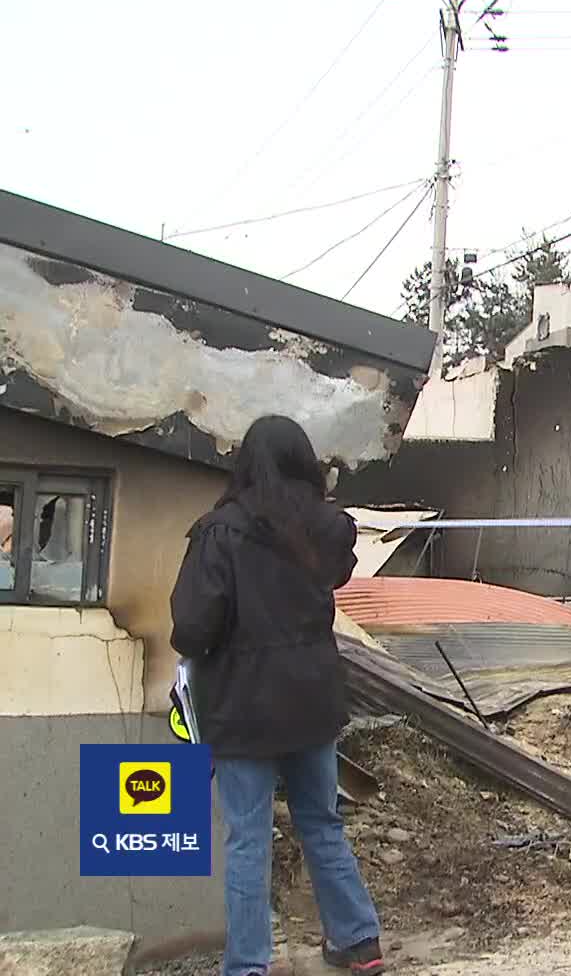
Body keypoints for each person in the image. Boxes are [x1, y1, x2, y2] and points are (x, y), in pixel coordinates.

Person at [170, 416, 386, 976]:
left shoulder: (220, 532)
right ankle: (359, 942)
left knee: (247, 839)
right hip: (311, 703)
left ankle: (247, 965)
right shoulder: (325, 530)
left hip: (242, 710)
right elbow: (334, 577)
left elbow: (194, 627)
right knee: (321, 821)